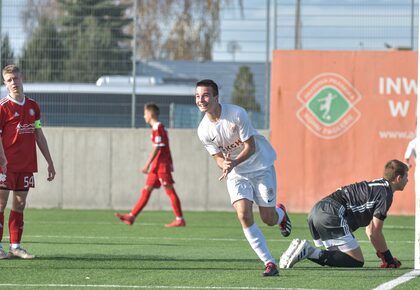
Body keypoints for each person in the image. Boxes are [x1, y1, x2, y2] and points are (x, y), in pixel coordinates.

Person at [195, 79, 292, 277]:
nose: (201, 100)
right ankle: (269, 262)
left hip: (260, 166)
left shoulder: (237, 113)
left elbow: (251, 147)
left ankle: (280, 215)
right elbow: (218, 158)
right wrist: (225, 165)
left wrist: (234, 163)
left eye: (205, 95)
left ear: (215, 97)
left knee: (268, 218)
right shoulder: (203, 130)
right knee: (243, 215)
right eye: (197, 96)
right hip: (237, 174)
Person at [279, 159, 408, 269]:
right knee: (356, 261)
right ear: (398, 178)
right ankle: (308, 251)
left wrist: (385, 258)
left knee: (337, 256)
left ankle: (298, 250)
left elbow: (370, 230)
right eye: (406, 177)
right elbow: (375, 231)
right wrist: (389, 259)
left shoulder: (377, 187)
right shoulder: (386, 193)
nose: (407, 180)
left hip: (316, 211)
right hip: (331, 213)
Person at [0, 65, 56, 259]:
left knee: (20, 204)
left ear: (22, 78)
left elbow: (38, 134)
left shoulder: (33, 106)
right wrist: (3, 159)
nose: (13, 82)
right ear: (5, 84)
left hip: (25, 164)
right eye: (9, 80)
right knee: (0, 204)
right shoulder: (3, 107)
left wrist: (49, 161)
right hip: (5, 165)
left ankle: (15, 246)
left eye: (16, 78)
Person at [115, 103, 185, 227]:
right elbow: (165, 147)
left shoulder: (158, 127)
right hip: (156, 167)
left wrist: (147, 164)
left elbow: (158, 147)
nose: (144, 116)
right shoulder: (157, 128)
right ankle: (131, 216)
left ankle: (180, 219)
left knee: (170, 191)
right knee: (146, 190)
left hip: (161, 166)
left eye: (145, 113)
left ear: (151, 114)